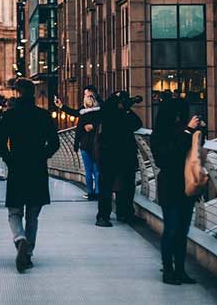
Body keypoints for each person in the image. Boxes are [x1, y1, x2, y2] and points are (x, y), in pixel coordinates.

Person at [0, 78, 60, 273]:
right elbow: (55, 143)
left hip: (17, 168)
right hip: (37, 169)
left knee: (14, 212)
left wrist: (9, 159)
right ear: (33, 93)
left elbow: (0, 142)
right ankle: (29, 254)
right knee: (32, 215)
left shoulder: (9, 116)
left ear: (17, 93)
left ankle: (20, 239)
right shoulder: (43, 115)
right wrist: (43, 155)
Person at [150, 98, 204, 285]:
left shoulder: (182, 130)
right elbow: (166, 157)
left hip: (186, 187)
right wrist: (188, 131)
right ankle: (168, 270)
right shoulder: (159, 134)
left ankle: (180, 270)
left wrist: (198, 131)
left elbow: (194, 153)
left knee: (182, 231)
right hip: (170, 186)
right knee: (171, 229)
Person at [94, 90, 143, 227]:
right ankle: (108, 215)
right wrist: (125, 110)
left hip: (118, 155)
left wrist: (125, 109)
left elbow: (137, 124)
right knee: (109, 186)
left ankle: (119, 214)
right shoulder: (108, 113)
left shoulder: (116, 112)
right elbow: (136, 124)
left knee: (124, 185)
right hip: (112, 155)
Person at [54, 85, 101, 200]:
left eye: (86, 94)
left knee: (88, 170)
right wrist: (61, 106)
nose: (84, 96)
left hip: (85, 144)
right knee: (96, 169)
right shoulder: (101, 111)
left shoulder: (84, 112)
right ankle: (98, 192)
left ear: (91, 95)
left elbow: (75, 114)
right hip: (97, 144)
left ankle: (90, 193)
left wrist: (61, 106)